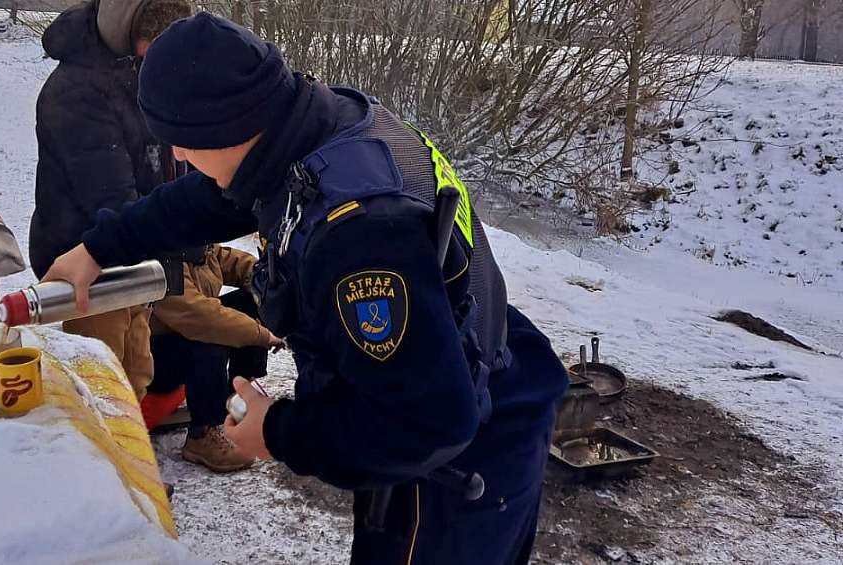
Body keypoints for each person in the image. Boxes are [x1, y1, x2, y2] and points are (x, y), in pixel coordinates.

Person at [43, 13, 568, 564]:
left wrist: (279, 432)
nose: (176, 156)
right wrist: (97, 248)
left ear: (223, 126)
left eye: (181, 140)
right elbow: (206, 199)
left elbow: (426, 426)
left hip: (463, 454)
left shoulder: (359, 235)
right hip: (447, 368)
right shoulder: (309, 125)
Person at [28, 0, 191, 401]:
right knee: (102, 386)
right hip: (88, 261)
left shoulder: (136, 73)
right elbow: (111, 198)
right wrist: (178, 231)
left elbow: (164, 158)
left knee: (136, 373)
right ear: (131, 36)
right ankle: (97, 461)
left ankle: (126, 454)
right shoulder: (75, 92)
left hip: (134, 253)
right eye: (156, 51)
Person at [146, 244, 283, 472]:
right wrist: (263, 335)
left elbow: (229, 260)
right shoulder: (161, 259)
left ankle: (238, 398)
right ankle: (203, 433)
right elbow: (202, 319)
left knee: (252, 301)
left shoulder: (195, 246)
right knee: (212, 336)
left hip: (183, 339)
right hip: (154, 362)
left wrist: (265, 278)